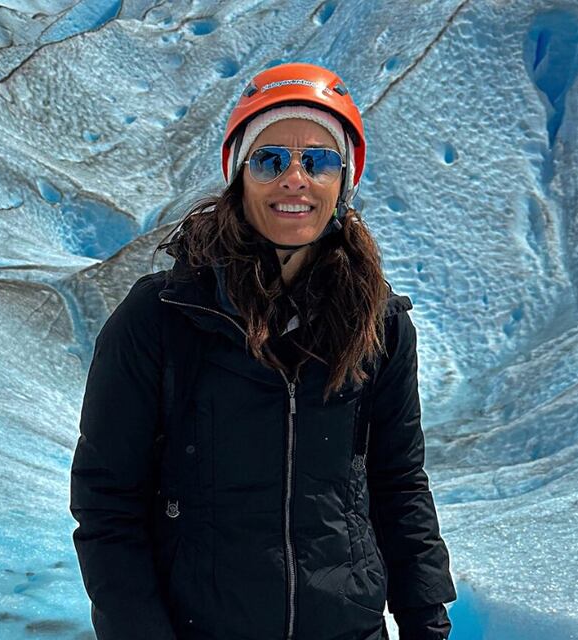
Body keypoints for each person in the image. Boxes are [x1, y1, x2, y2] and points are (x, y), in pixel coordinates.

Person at [70, 62, 457, 640]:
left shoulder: (378, 324)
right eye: (271, 158)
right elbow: (107, 504)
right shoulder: (162, 317)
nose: (295, 178)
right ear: (239, 174)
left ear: (343, 180)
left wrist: (427, 622)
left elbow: (398, 484)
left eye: (319, 160)